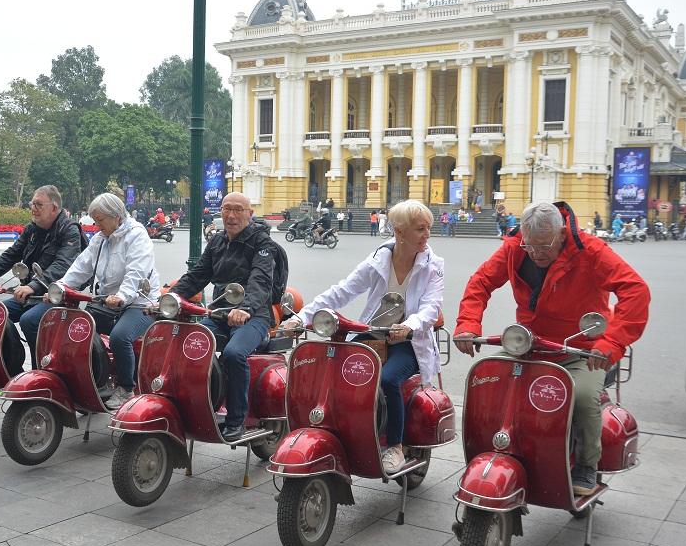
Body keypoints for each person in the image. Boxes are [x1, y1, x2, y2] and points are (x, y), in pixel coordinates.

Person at [453, 201, 650, 495]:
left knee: (583, 398)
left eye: (544, 246)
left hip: (582, 350)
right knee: (488, 379)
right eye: (530, 247)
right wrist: (468, 324)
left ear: (561, 233)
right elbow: (481, 282)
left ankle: (586, 465)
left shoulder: (590, 250)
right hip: (531, 343)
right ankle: (493, 448)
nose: (536, 254)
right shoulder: (515, 246)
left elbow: (635, 290)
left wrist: (611, 341)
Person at [282, 200, 444, 473]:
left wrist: (410, 324)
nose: (427, 234)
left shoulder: (433, 265)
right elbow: (342, 291)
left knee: (389, 379)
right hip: (374, 334)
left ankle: (395, 446)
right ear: (399, 232)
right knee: (334, 366)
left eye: (428, 228)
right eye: (420, 229)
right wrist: (300, 317)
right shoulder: (378, 260)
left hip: (408, 342)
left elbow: (431, 307)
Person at [171, 192, 277, 441]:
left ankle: (236, 419)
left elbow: (260, 281)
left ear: (250, 213)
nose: (231, 215)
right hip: (220, 313)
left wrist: (246, 308)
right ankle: (195, 403)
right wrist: (171, 298)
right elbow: (197, 275)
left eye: (238, 209)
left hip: (254, 316)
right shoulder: (218, 242)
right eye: (226, 209)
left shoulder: (263, 244)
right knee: (188, 344)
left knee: (234, 354)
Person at [54, 193, 160, 407]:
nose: (97, 224)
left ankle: (126, 389)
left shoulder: (137, 236)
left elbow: (136, 272)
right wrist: (61, 287)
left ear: (116, 216)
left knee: (120, 338)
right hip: (107, 301)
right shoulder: (101, 238)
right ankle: (94, 377)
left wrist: (122, 296)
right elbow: (82, 265)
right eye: (95, 220)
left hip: (139, 303)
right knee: (76, 329)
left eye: (100, 220)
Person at [0, 185, 81, 367]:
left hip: (58, 296)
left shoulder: (69, 229)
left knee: (30, 320)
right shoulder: (32, 229)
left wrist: (33, 285)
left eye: (39, 204)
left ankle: (43, 369)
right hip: (30, 294)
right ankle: (10, 365)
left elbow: (62, 265)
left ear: (54, 208)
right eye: (32, 204)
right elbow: (10, 255)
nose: (33, 208)